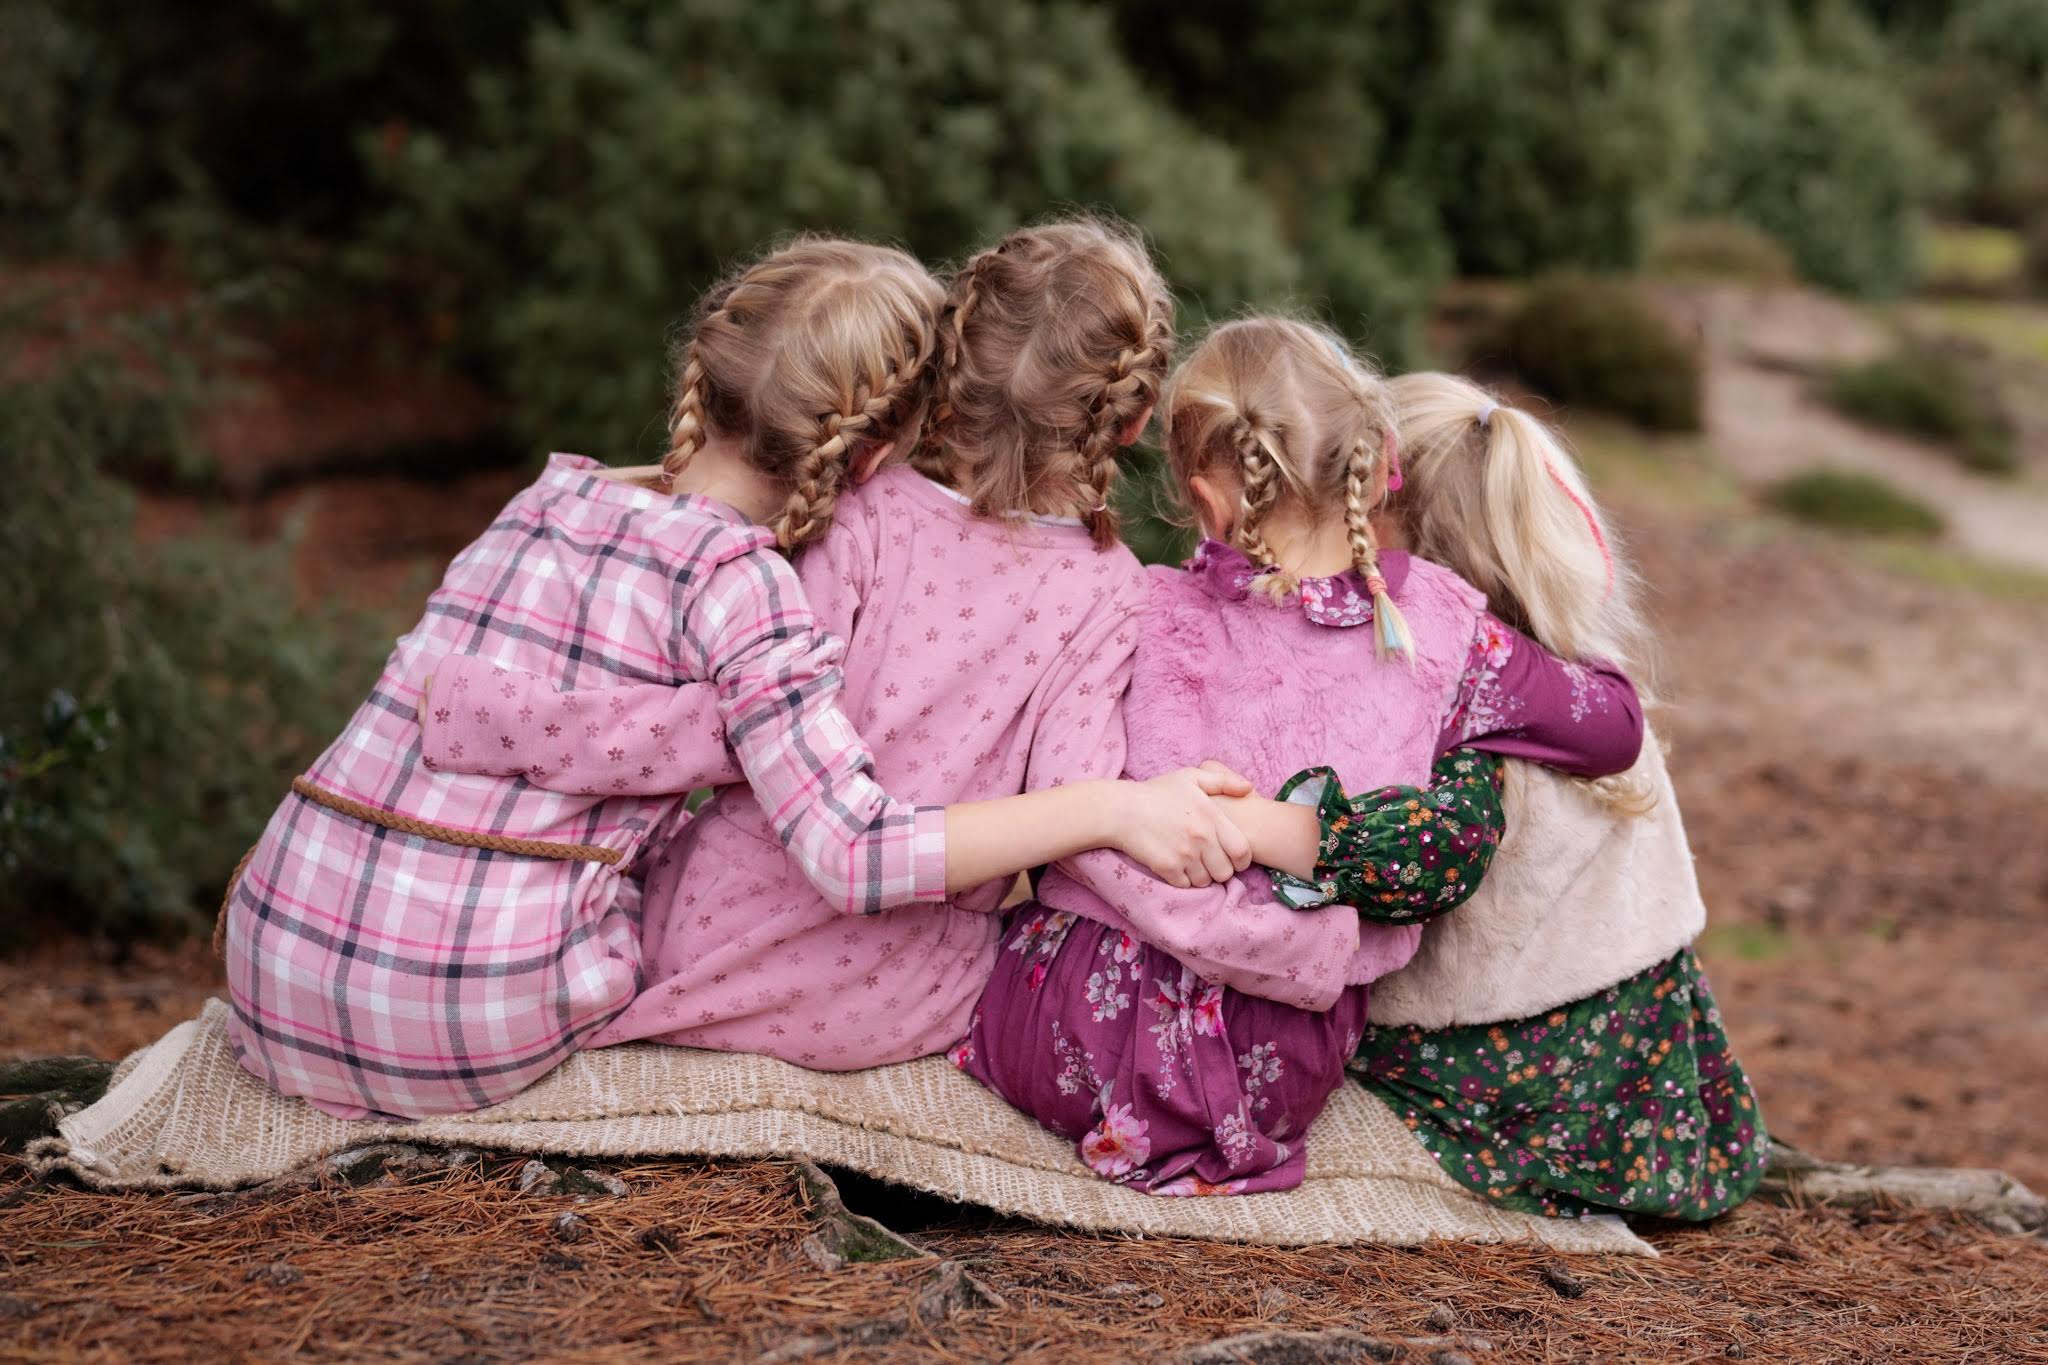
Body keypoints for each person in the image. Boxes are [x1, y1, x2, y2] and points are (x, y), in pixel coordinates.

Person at [223, 235, 1246, 1120]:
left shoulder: (588, 500)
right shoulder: (1092, 587)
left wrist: (502, 720)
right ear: (1127, 421)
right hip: (815, 990)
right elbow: (868, 837)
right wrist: (1147, 823)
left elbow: (723, 735)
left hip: (360, 951)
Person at [954, 320, 1646, 1194]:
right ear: (1381, 461)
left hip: (1053, 1016)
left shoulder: (1139, 604)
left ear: (1206, 502)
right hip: (1256, 1070)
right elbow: (1614, 726)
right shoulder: (1442, 634)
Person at [1330, 372, 1768, 1220]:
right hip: (1644, 1089)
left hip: (1502, 1099)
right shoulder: (1582, 685)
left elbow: (1406, 870)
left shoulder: (1454, 701)